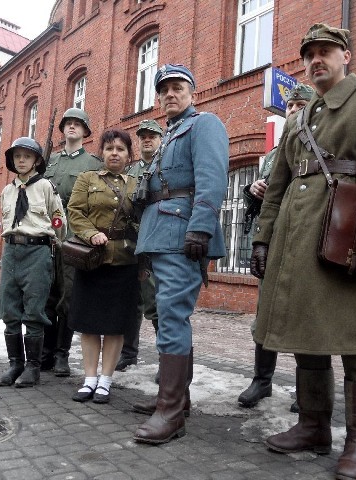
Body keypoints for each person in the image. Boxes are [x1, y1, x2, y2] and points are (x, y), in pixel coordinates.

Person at [250, 24, 356, 479]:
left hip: (350, 235)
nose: (315, 61)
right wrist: (263, 237)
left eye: (325, 51)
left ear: (345, 55)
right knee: (306, 337)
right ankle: (313, 426)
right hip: (298, 238)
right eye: (309, 55)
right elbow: (278, 187)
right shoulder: (299, 118)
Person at [132, 64, 229, 444]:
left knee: (172, 316)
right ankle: (174, 400)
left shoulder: (203, 125)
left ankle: (170, 412)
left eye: (178, 87)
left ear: (193, 93)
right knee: (168, 315)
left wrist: (201, 227)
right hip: (160, 234)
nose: (170, 94)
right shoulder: (170, 133)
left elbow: (212, 177)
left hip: (182, 233)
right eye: (164, 89)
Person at [238, 82, 314, 410]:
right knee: (265, 311)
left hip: (303, 239)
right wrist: (252, 190)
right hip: (272, 239)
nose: (294, 112)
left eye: (300, 107)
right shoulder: (272, 154)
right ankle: (261, 381)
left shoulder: (317, 146)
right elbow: (264, 202)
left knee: (304, 313)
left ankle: (307, 389)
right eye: (290, 108)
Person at [66, 129, 139, 404]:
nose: (115, 153)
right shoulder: (87, 179)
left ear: (128, 155)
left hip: (124, 262)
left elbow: (142, 218)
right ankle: (89, 379)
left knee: (115, 326)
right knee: (89, 324)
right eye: (109, 149)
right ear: (102, 153)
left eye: (120, 149)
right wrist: (89, 234)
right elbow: (75, 211)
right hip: (92, 260)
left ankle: (106, 380)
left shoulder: (136, 184)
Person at [0, 137, 67, 388]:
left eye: (27, 156)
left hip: (37, 252)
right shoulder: (7, 191)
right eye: (17, 156)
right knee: (9, 308)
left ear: (37, 160)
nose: (22, 160)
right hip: (11, 251)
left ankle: (33, 367)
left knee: (35, 309)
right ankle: (15, 363)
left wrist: (51, 247)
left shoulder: (46, 186)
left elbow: (58, 221)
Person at [43, 108, 102, 375]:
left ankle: (61, 354)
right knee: (46, 293)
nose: (72, 127)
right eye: (68, 123)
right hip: (47, 236)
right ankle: (43, 352)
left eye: (78, 124)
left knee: (67, 295)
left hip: (73, 237)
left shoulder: (93, 164)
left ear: (86, 131)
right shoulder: (49, 162)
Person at [115, 119, 163, 373]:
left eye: (152, 136)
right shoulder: (129, 173)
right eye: (143, 136)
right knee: (130, 301)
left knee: (156, 302)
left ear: (160, 140)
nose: (147, 139)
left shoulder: (165, 168)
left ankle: (165, 362)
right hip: (130, 245)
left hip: (155, 245)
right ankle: (128, 354)